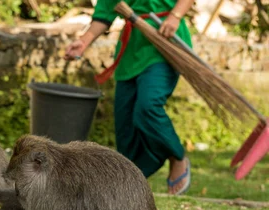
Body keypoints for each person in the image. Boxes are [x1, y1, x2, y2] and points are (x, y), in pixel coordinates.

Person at [65, 0, 195, 195]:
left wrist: (175, 16)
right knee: (125, 127)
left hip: (164, 42)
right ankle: (128, 183)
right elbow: (106, 10)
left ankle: (177, 156)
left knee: (148, 106)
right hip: (132, 50)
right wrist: (84, 41)